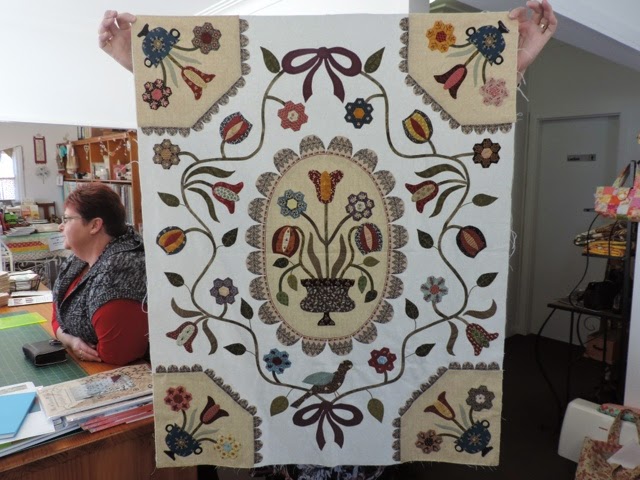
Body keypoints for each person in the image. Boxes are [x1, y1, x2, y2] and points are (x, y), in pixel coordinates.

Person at [98, 1, 557, 79]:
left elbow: (448, 101)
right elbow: (204, 112)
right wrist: (143, 66)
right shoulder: (244, 47)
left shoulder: (403, 50)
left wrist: (512, 63)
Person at [52, 183, 148, 366]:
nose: (60, 226)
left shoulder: (120, 271)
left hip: (117, 372)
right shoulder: (79, 259)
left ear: (95, 225)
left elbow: (117, 354)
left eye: (67, 219)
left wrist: (66, 336)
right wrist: (71, 341)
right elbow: (56, 313)